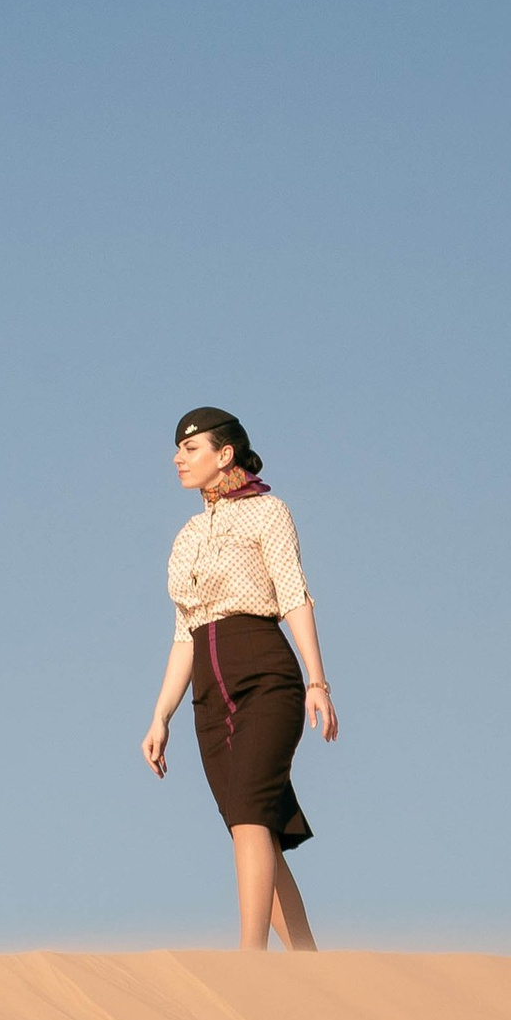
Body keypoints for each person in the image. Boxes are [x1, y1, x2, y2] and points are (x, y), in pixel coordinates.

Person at [142, 408, 338, 952]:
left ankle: (249, 963)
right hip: (209, 695)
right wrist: (161, 716)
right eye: (178, 451)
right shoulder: (186, 537)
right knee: (254, 834)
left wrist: (318, 683)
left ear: (224, 454)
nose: (179, 459)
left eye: (192, 449)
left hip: (264, 676)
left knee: (252, 816)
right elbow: (185, 632)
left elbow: (294, 593)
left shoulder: (267, 513)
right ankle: (309, 964)